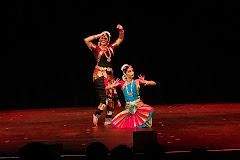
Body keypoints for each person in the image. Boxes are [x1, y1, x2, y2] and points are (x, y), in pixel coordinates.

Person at [84, 24, 124, 126]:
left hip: (110, 75)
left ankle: (108, 118)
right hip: (99, 75)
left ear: (108, 40)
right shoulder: (96, 49)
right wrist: (98, 35)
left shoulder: (111, 48)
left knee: (111, 97)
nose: (103, 38)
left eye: (105, 37)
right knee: (105, 97)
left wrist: (121, 30)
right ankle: (97, 114)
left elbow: (120, 38)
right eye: (102, 37)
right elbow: (86, 40)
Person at [106, 64, 156, 128]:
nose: (132, 73)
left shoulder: (137, 81)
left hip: (138, 105)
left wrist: (144, 82)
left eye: (132, 71)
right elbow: (106, 88)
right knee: (123, 123)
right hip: (129, 107)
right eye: (129, 71)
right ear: (125, 73)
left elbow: (153, 83)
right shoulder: (122, 83)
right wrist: (112, 86)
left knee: (147, 115)